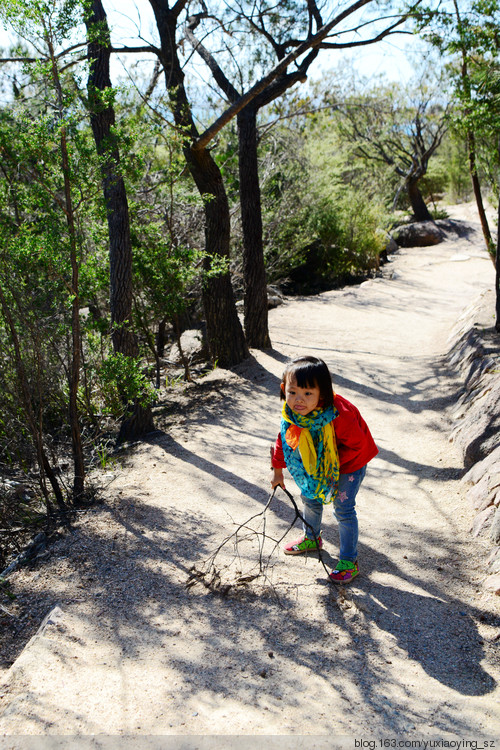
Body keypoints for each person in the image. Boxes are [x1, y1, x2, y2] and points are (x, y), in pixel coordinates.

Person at [270, 356, 378, 584]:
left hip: (349, 464)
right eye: (293, 392)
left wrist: (329, 472)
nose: (299, 400)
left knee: (343, 509)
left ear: (323, 393)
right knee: (309, 497)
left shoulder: (339, 413)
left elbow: (357, 445)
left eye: (308, 393)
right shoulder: (291, 413)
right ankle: (312, 537)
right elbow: (284, 438)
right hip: (315, 465)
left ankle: (349, 560)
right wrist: (278, 471)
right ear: (283, 389)